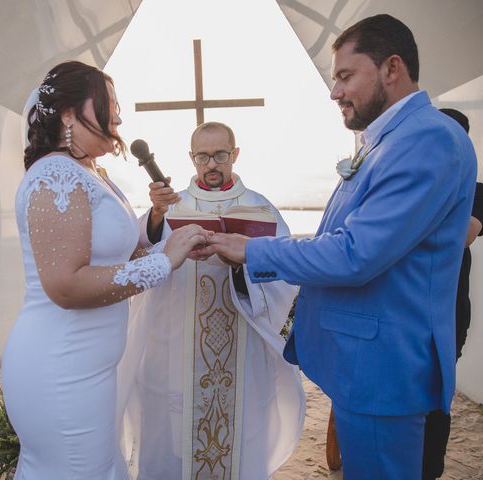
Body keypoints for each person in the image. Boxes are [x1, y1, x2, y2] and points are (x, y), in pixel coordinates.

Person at [197, 14, 477, 479]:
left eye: (346, 76)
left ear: (392, 68)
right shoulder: (388, 140)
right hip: (362, 366)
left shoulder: (426, 139)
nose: (334, 92)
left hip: (382, 371)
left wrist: (251, 251)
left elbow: (354, 254)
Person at [0, 61, 208, 479]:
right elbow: (67, 285)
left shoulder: (93, 173)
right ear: (69, 114)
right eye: (108, 104)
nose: (117, 116)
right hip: (60, 367)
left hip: (90, 367)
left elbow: (122, 258)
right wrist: (165, 262)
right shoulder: (56, 174)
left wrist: (170, 240)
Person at [120, 122, 305, 479]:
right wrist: (157, 219)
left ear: (235, 155)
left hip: (240, 347)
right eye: (203, 156)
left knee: (237, 438)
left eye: (220, 155)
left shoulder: (258, 208)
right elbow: (138, 257)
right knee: (174, 438)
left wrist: (243, 264)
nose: (212, 164)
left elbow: (285, 273)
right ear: (192, 159)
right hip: (176, 347)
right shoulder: (172, 206)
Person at [422, 108, 483, 480]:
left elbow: (464, 235)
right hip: (406, 308)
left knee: (436, 397)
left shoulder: (476, 191)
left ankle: (429, 471)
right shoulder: (413, 186)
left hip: (448, 312)